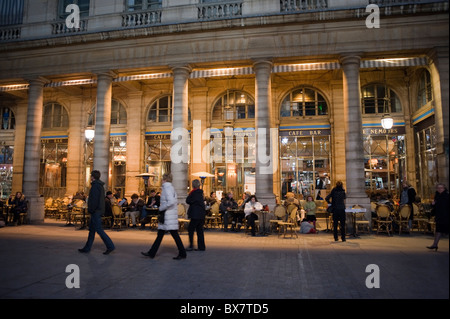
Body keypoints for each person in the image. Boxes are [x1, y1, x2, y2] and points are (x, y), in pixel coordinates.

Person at [141, 173, 186, 260]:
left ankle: (182, 253)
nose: (161, 180)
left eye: (162, 179)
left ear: (164, 179)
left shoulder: (167, 188)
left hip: (167, 215)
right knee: (162, 234)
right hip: (168, 215)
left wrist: (161, 208)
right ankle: (152, 252)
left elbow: (171, 202)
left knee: (173, 235)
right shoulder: (170, 188)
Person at [79, 170, 115, 255]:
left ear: (92, 177)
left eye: (91, 176)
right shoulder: (100, 186)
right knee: (91, 230)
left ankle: (110, 246)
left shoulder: (95, 186)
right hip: (97, 210)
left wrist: (91, 210)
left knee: (99, 230)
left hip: (95, 211)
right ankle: (87, 248)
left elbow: (94, 200)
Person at [427, 183, 449, 251]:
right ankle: (435, 244)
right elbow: (436, 205)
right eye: (438, 188)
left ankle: (435, 244)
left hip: (446, 215)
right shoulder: (437, 195)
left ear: (444, 188)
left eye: (441, 188)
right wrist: (433, 204)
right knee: (438, 230)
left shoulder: (447, 195)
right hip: (439, 215)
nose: (439, 189)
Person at [186, 179, 206, 251]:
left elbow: (187, 200)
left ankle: (191, 245)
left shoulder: (193, 193)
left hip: (195, 214)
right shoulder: (201, 193)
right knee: (200, 231)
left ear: (193, 185)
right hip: (201, 214)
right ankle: (201, 247)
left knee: (190, 229)